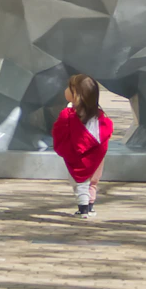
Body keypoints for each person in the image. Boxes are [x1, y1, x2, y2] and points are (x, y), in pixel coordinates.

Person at [51, 74, 113, 219]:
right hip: (96, 156)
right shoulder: (99, 115)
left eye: (69, 88)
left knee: (79, 182)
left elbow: (59, 130)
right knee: (92, 182)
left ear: (76, 95)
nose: (65, 90)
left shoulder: (68, 115)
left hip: (78, 155)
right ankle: (90, 206)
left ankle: (83, 208)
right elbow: (105, 131)